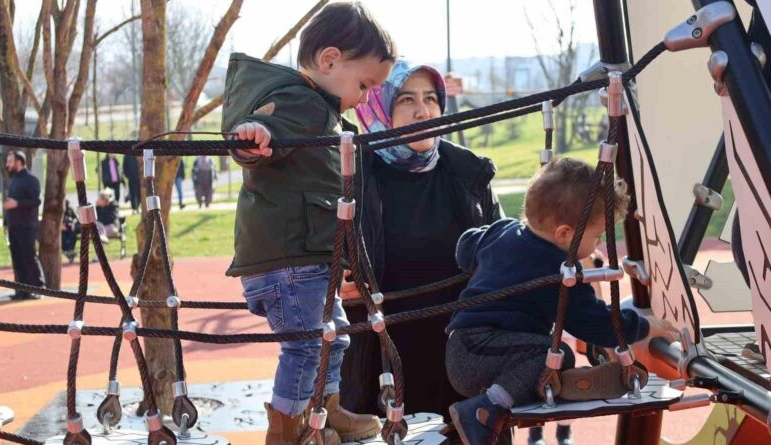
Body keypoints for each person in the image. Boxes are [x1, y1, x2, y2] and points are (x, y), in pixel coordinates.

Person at [222, 3, 396, 443]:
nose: (364, 97)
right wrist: (255, 137)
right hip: (288, 262)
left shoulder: (319, 109)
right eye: (364, 84)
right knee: (306, 346)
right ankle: (289, 430)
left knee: (330, 340)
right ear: (329, 60)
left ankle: (325, 411)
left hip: (303, 259)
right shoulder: (300, 100)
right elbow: (264, 131)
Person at [444, 158, 675, 445]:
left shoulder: (503, 229)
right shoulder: (557, 270)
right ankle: (487, 407)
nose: (599, 244)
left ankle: (552, 384)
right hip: (482, 353)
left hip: (462, 344)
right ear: (565, 234)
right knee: (555, 354)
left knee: (550, 353)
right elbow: (596, 324)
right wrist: (645, 327)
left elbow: (466, 245)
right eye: (597, 235)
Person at [339, 60, 502, 420]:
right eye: (407, 100)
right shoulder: (354, 177)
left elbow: (502, 251)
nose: (423, 111)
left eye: (431, 98)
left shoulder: (469, 174)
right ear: (381, 109)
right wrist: (336, 285)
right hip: (378, 357)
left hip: (460, 351)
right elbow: (320, 257)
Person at [3, 151, 44, 300]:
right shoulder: (13, 180)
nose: (7, 164)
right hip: (14, 226)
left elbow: (36, 201)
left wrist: (17, 204)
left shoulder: (31, 180)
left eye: (10, 161)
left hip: (26, 226)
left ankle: (38, 288)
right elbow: (9, 204)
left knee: (29, 257)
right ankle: (21, 291)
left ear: (19, 162)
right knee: (17, 258)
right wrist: (6, 223)